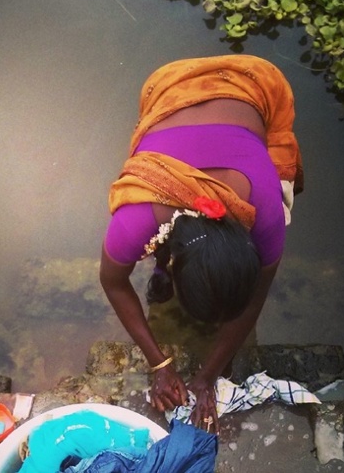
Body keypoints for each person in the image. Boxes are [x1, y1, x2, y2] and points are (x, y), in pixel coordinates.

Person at [100, 54, 303, 434]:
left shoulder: (267, 216)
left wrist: (207, 378)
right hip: (172, 88)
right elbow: (113, 282)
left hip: (249, 92)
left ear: (248, 246)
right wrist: (158, 363)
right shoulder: (137, 216)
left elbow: (253, 301)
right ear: (175, 263)